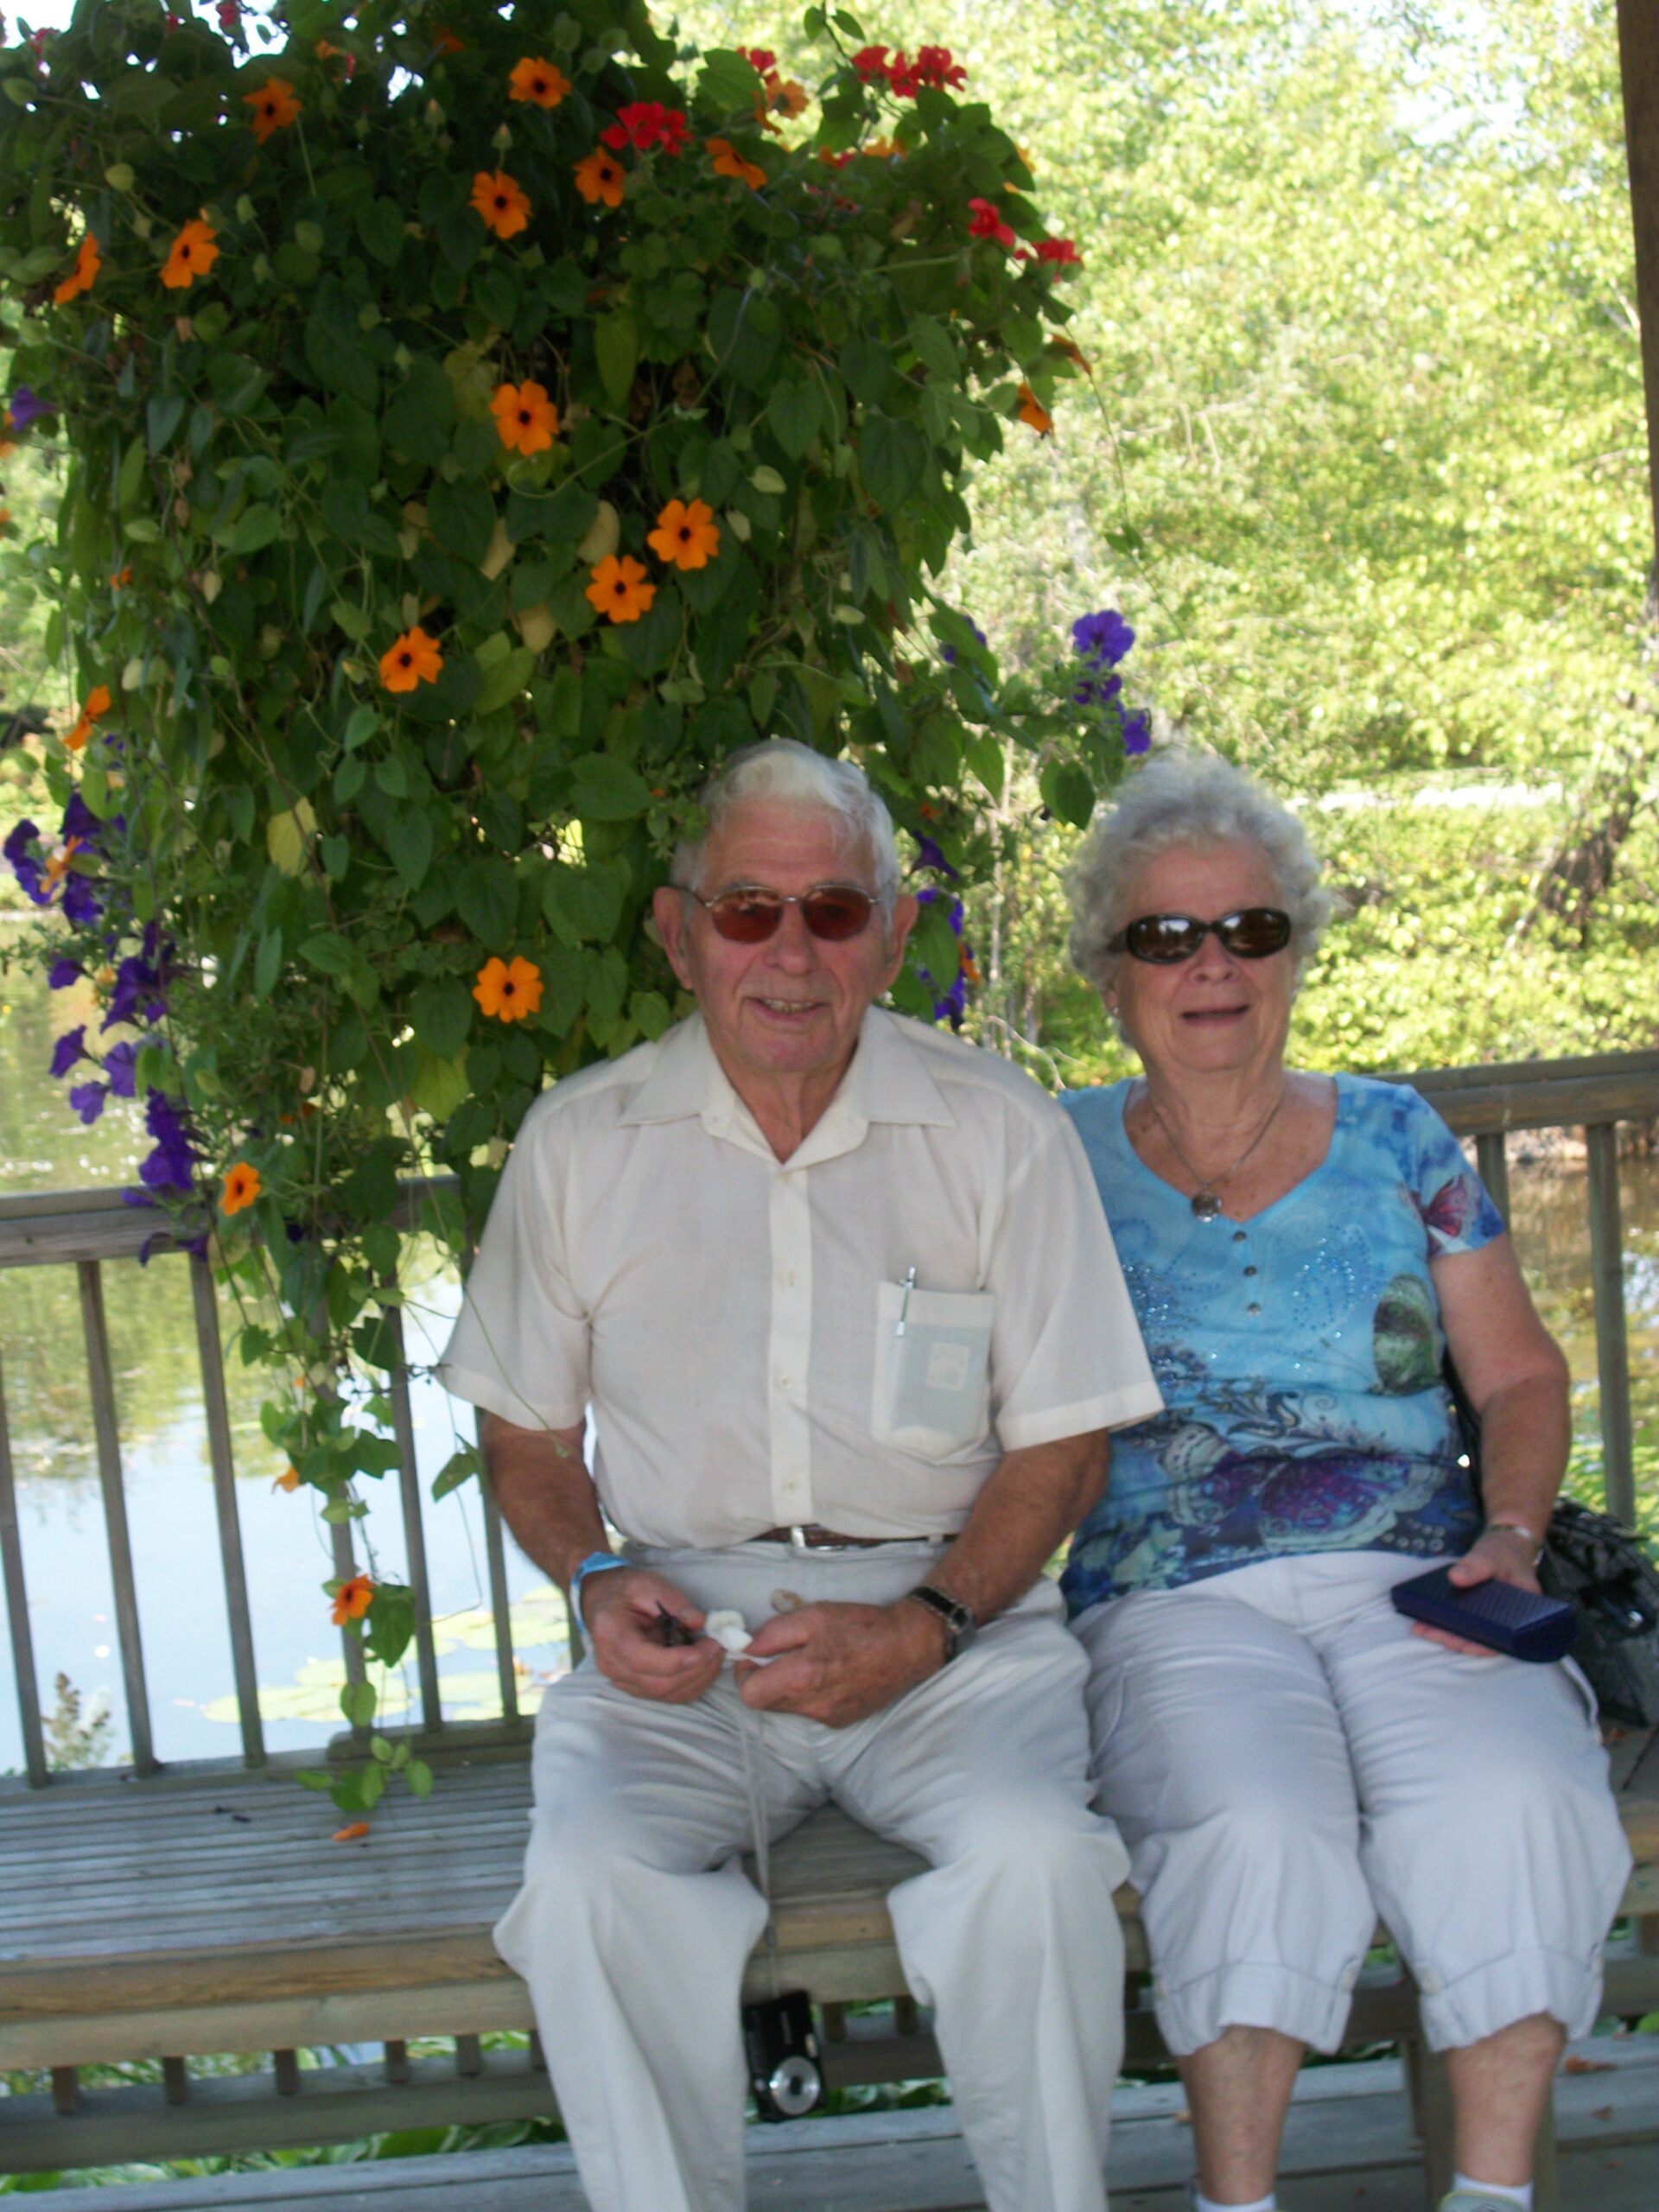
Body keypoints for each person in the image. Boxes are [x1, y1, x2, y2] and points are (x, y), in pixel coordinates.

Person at [438, 738, 1163, 2212]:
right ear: (677, 929)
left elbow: (1063, 1442)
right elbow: (525, 1439)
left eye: (833, 912)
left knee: (1036, 1865)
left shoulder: (998, 1133)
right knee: (585, 1888)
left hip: (954, 1622)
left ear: (893, 936)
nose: (788, 952)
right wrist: (596, 1577)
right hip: (682, 1641)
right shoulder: (580, 1144)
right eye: (746, 908)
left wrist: (927, 1625)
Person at [1058, 752, 1631, 2212]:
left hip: (1420, 1577)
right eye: (1167, 936)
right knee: (1254, 1825)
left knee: (1510, 1794)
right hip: (1170, 1595)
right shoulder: (1042, 1159)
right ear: (1107, 975)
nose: (1213, 967)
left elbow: (1516, 1376)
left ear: (1297, 950)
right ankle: (1235, 2204)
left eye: (1252, 930)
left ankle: (1493, 2201)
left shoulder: (1398, 1137)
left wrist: (1509, 1533)